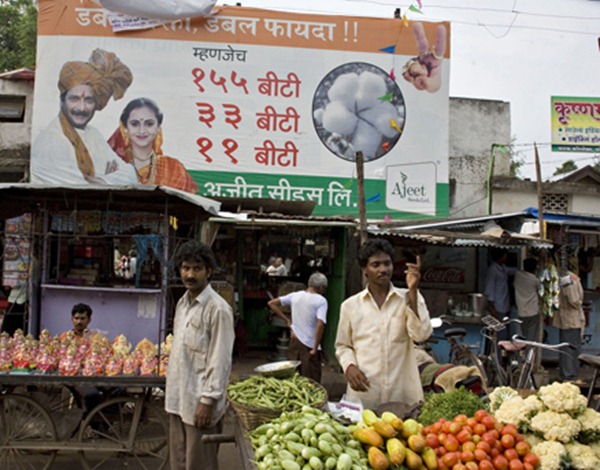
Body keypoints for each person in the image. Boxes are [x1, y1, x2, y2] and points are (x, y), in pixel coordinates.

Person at [335, 238, 432, 409]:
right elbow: (343, 346)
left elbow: (421, 335)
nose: (383, 269)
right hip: (364, 393)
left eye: (387, 264)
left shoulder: (408, 298)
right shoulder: (350, 306)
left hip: (401, 395)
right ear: (365, 269)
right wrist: (349, 366)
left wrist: (413, 291)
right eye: (376, 265)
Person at [166, 241, 235, 470]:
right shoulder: (182, 304)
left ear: (209, 271)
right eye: (185, 268)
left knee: (200, 464)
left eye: (197, 269)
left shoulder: (218, 309)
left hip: (199, 403)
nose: (190, 274)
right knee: (179, 461)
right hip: (178, 399)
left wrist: (207, 401)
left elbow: (220, 359)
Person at [31, 49, 137, 185]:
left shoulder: (93, 135)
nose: (81, 108)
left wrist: (101, 181)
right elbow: (81, 191)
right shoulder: (50, 142)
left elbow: (131, 175)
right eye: (74, 99)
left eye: (89, 100)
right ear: (62, 100)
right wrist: (110, 179)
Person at [107, 97, 199, 193]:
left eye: (149, 124)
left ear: (158, 127)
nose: (142, 131)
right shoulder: (115, 165)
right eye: (135, 124)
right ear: (125, 128)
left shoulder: (173, 168)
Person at [267, 272, 328, 383]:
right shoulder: (321, 301)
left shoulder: (295, 295)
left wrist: (287, 320)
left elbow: (272, 303)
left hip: (294, 342)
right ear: (321, 287)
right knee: (311, 381)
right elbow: (320, 324)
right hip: (309, 345)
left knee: (295, 378)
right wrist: (315, 348)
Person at [553, 269, 585, 382]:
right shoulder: (570, 279)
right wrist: (580, 303)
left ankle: (566, 373)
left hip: (567, 317)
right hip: (571, 318)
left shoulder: (565, 277)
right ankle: (569, 375)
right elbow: (573, 300)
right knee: (571, 347)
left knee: (567, 347)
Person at [402, 21, 447, 93]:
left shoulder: (413, 70)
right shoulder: (425, 79)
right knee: (439, 49)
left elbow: (405, 71)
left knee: (422, 46)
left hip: (423, 58)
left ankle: (420, 33)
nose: (422, 67)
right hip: (435, 61)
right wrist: (426, 82)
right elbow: (435, 86)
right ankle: (441, 35)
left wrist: (413, 66)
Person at [514, 257, 541, 342]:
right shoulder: (534, 280)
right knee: (532, 338)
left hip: (521, 312)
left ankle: (526, 353)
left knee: (525, 336)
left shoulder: (518, 276)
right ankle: (530, 353)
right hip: (532, 311)